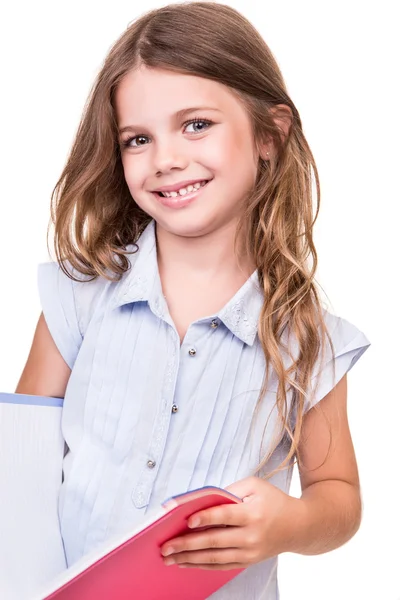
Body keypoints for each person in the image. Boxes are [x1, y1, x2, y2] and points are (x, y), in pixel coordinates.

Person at [16, 2, 371, 598]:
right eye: (137, 138)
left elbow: (339, 496)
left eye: (196, 124)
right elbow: (19, 466)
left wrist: (292, 523)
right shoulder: (79, 296)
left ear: (269, 133)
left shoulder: (308, 339)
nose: (166, 159)